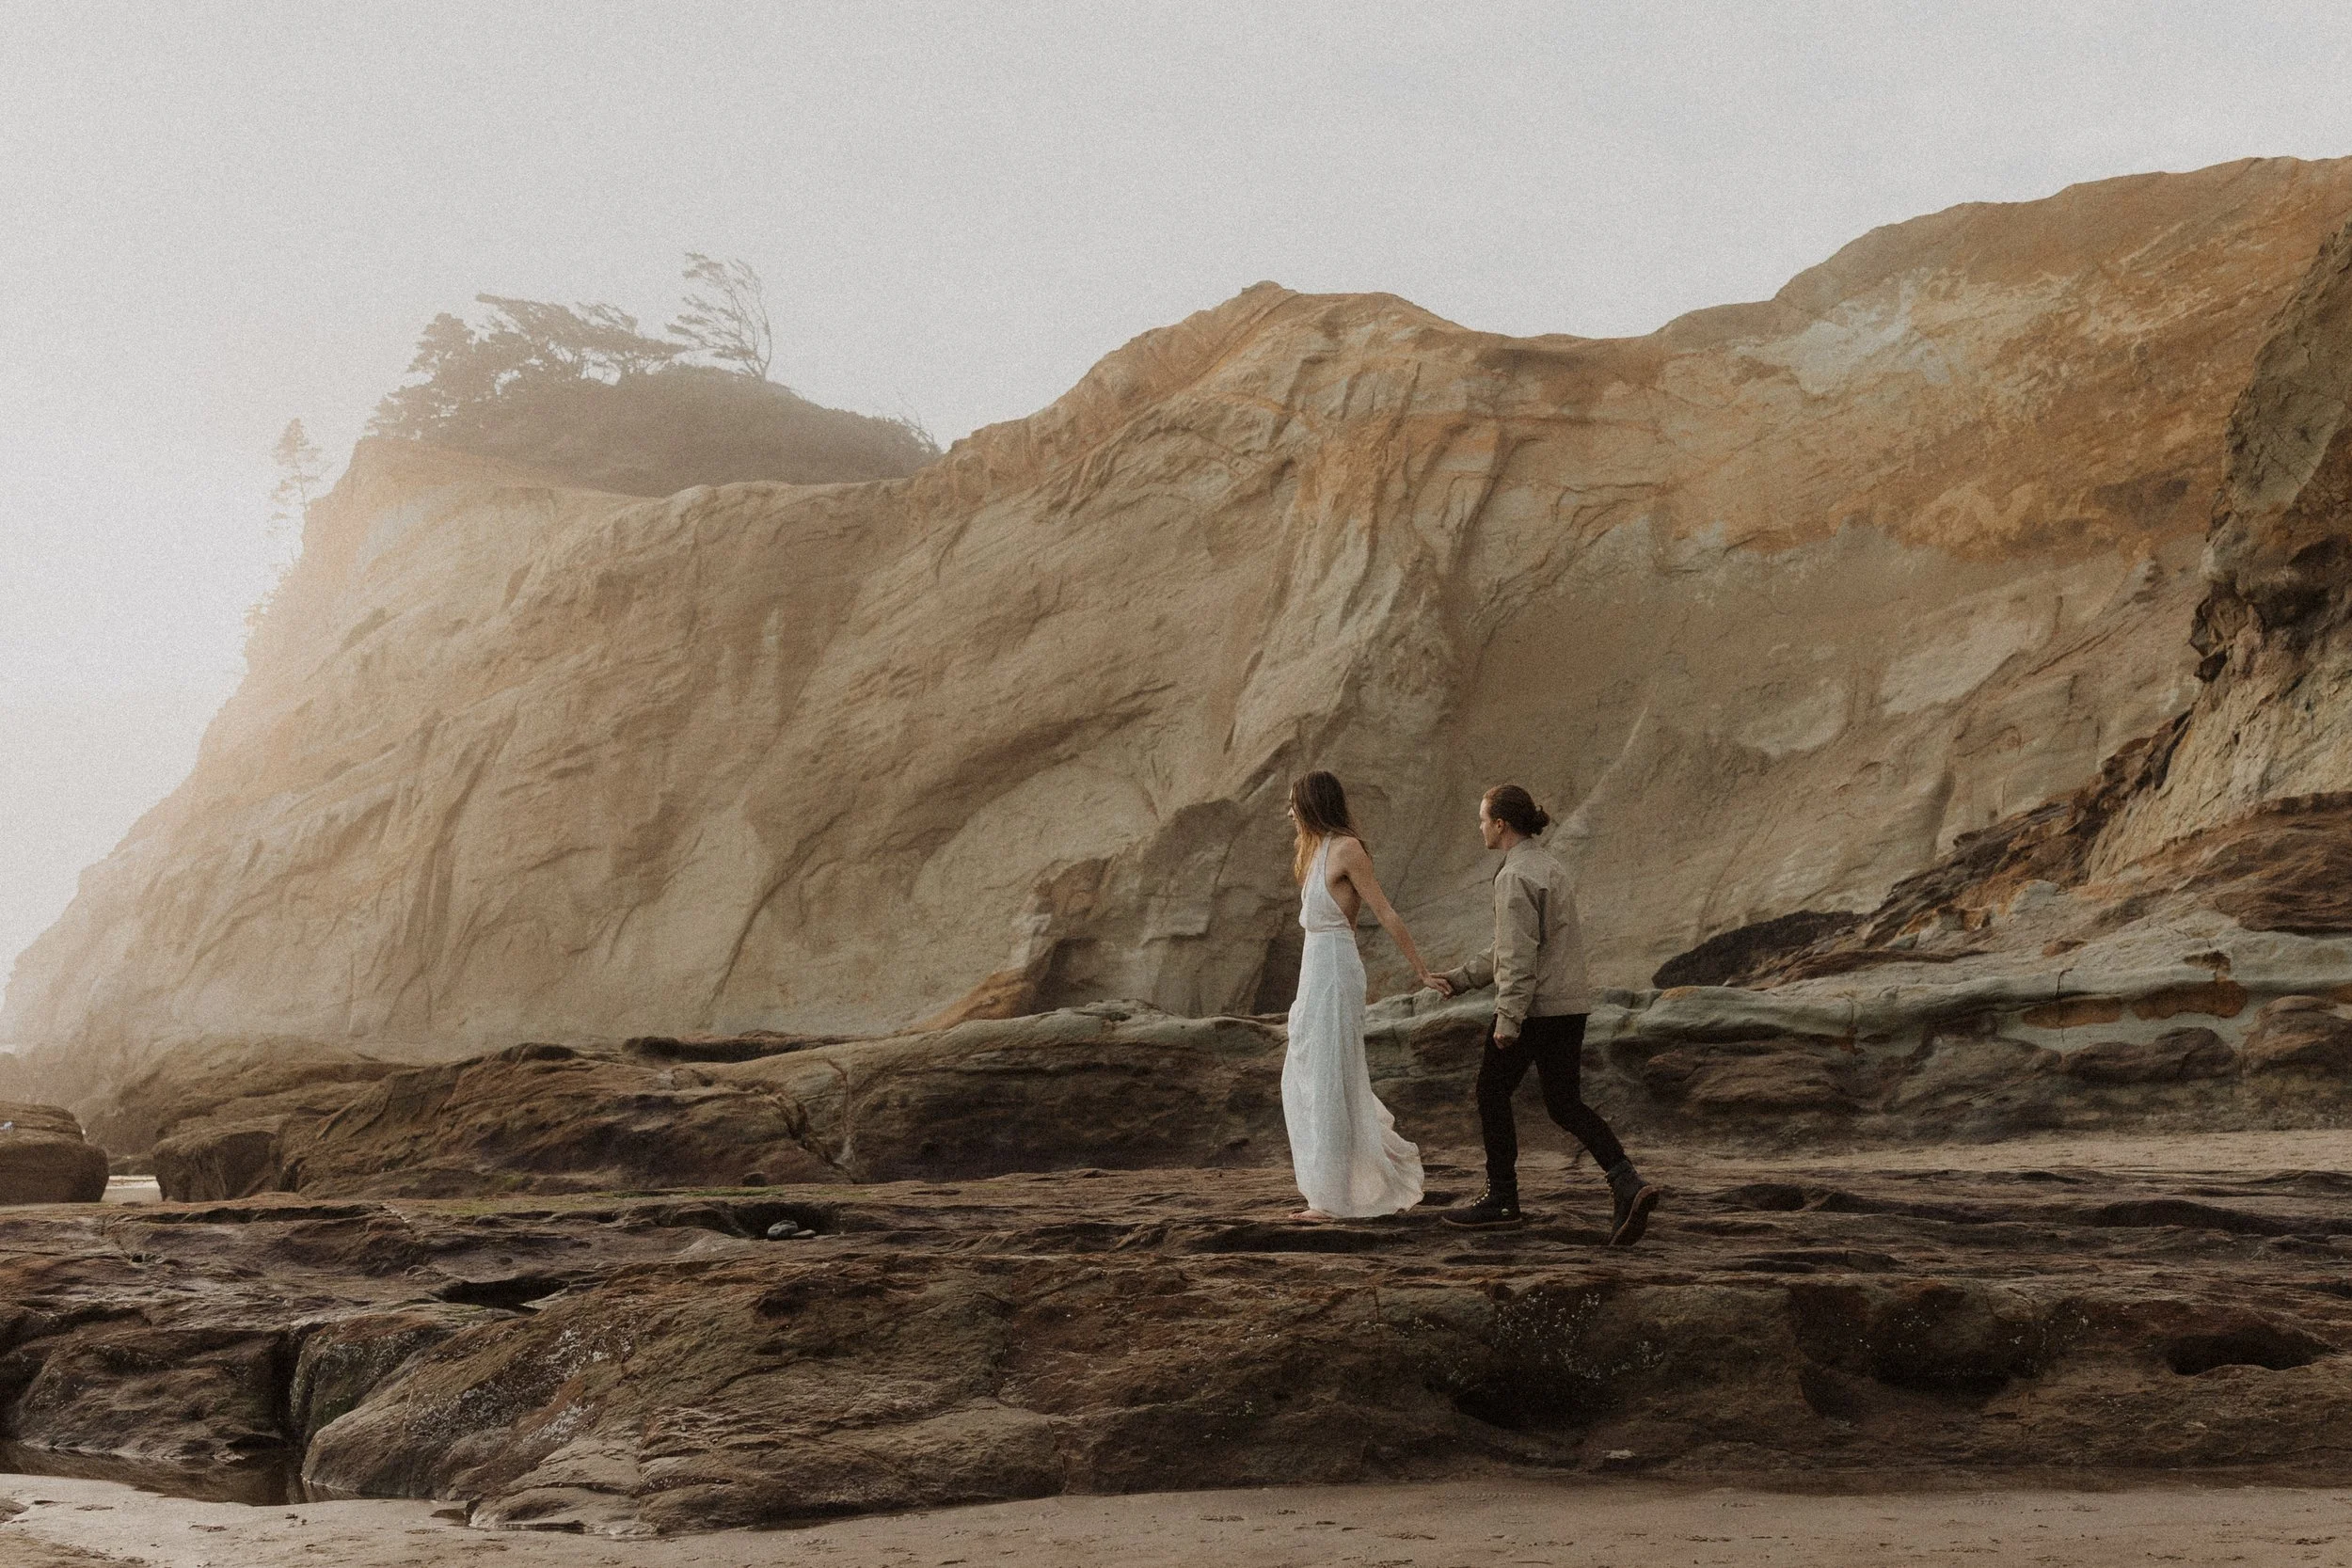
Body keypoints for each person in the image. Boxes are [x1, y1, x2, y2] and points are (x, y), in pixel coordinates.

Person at [1428, 784, 1661, 1243]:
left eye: (1482, 819)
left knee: (1491, 1093)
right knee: (1565, 1104)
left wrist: (1508, 1019)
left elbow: (1517, 956)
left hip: (1535, 1009)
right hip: (1568, 1007)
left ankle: (1502, 1200)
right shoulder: (1548, 866)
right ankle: (1626, 1181)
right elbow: (1512, 946)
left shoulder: (1515, 876)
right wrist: (1461, 978)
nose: (1479, 828)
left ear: (1501, 824)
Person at [1280, 770, 1439, 1222]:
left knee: (1331, 1077)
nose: (1290, 813)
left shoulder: (1348, 849)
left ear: (1312, 804)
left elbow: (1383, 911)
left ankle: (1328, 1200)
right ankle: (1330, 1190)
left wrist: (1421, 970)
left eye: (1295, 804)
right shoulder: (1312, 853)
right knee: (1303, 1077)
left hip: (1334, 970)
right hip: (1315, 971)